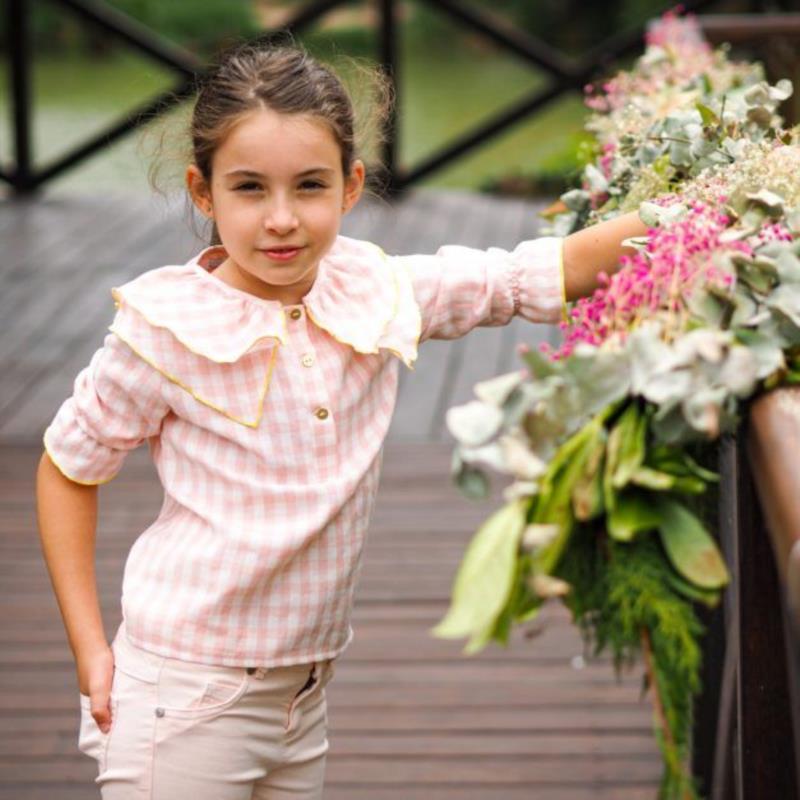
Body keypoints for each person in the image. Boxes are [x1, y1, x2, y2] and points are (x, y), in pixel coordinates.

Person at [35, 40, 648, 800]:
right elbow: (68, 465)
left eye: (311, 185)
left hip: (304, 698)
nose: (282, 219)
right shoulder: (163, 329)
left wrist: (712, 213)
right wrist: (91, 648)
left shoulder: (375, 291)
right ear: (203, 192)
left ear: (352, 185)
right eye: (250, 188)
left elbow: (533, 275)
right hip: (183, 698)